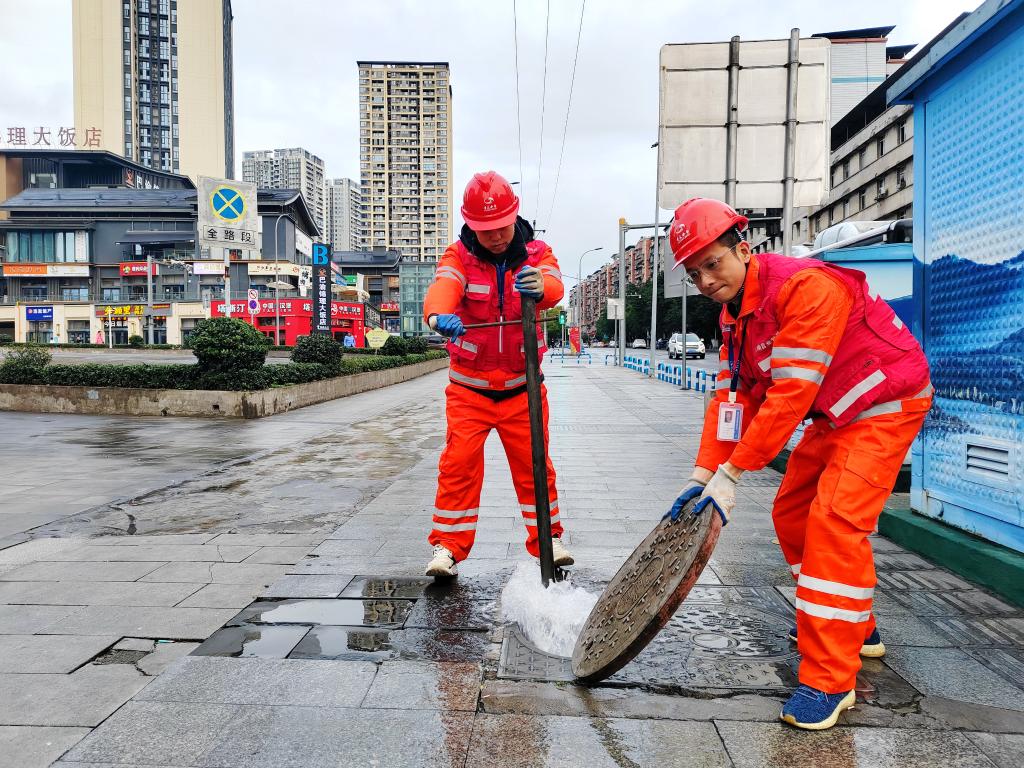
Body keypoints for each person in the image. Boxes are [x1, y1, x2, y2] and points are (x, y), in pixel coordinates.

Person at [663, 197, 931, 730]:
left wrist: (732, 474)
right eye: (695, 273)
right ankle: (855, 626)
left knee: (833, 523)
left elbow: (788, 397)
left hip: (884, 406)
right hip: (837, 417)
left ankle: (830, 678)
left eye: (713, 264)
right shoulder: (734, 316)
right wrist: (702, 474)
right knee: (791, 512)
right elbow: (731, 403)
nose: (706, 280)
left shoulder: (805, 289)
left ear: (744, 249)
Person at [421, 171, 573, 577]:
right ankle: (447, 548)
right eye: (485, 229)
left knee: (535, 467)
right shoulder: (459, 257)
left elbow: (556, 284)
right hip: (469, 390)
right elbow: (443, 286)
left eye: (501, 226)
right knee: (459, 466)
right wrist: (438, 316)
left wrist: (541, 285)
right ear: (470, 225)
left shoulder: (537, 252)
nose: (495, 236)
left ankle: (549, 539)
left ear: (514, 216)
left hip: (523, 389)